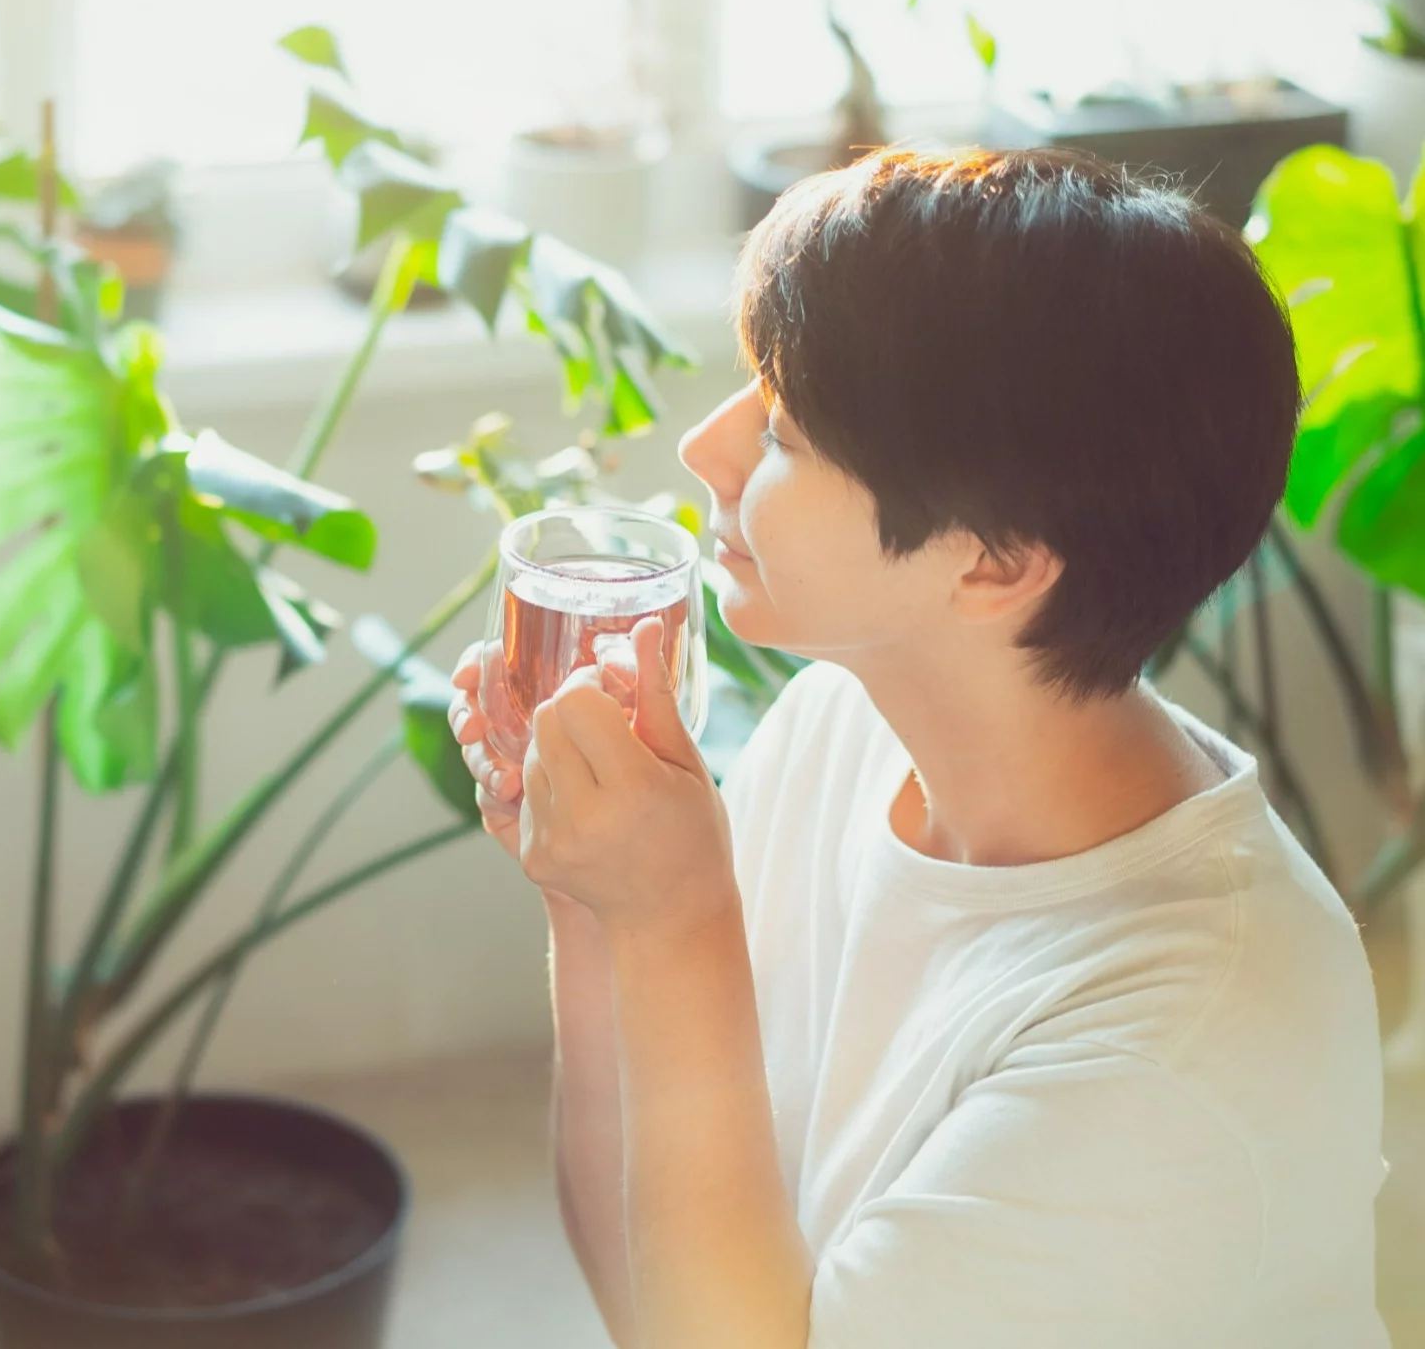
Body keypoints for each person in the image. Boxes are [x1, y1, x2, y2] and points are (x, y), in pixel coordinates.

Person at [447, 148, 1389, 1349]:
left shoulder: (1174, 1046)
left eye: (783, 430)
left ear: (993, 562)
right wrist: (593, 899)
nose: (707, 449)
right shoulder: (849, 721)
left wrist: (674, 920)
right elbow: (659, 1296)